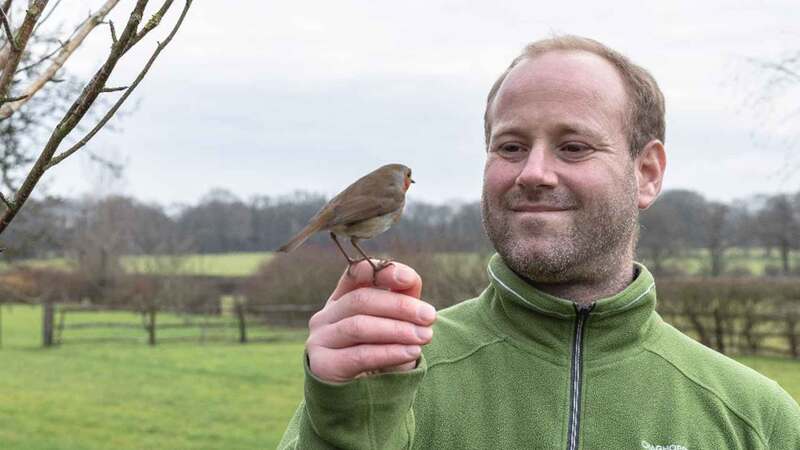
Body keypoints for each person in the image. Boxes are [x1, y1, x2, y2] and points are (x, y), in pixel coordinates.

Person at [279, 35, 800, 449]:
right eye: (510, 146)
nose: (533, 172)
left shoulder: (757, 420)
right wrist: (342, 423)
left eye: (573, 147)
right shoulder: (387, 367)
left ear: (646, 173)